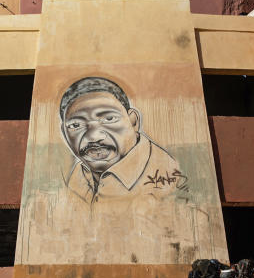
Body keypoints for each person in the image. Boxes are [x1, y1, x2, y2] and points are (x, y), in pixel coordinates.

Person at [59, 76, 188, 204]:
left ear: (133, 121)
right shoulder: (77, 177)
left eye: (109, 119)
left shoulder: (170, 180)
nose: (94, 136)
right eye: (76, 125)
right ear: (65, 133)